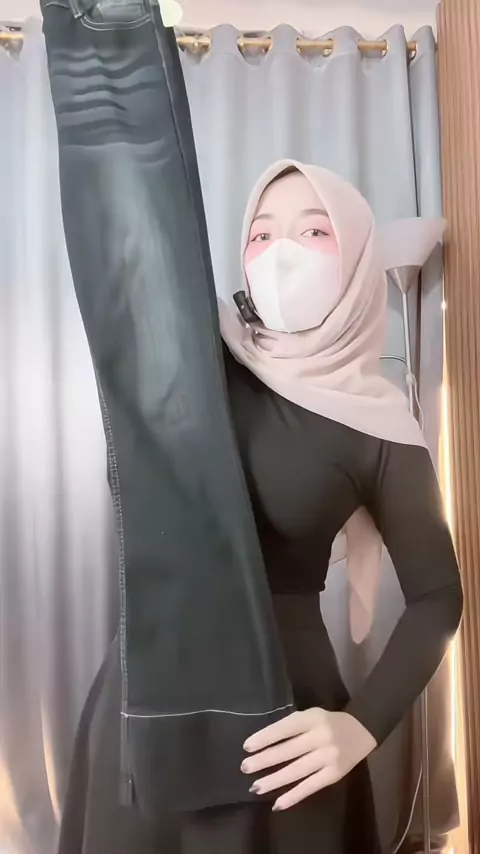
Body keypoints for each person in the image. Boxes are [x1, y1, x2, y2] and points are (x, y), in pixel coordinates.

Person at [58, 158, 462, 854]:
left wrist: (361, 725)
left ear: (357, 253)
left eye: (314, 231)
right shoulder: (195, 354)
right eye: (262, 236)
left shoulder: (379, 420)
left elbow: (437, 595)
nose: (282, 255)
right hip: (145, 705)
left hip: (285, 730)